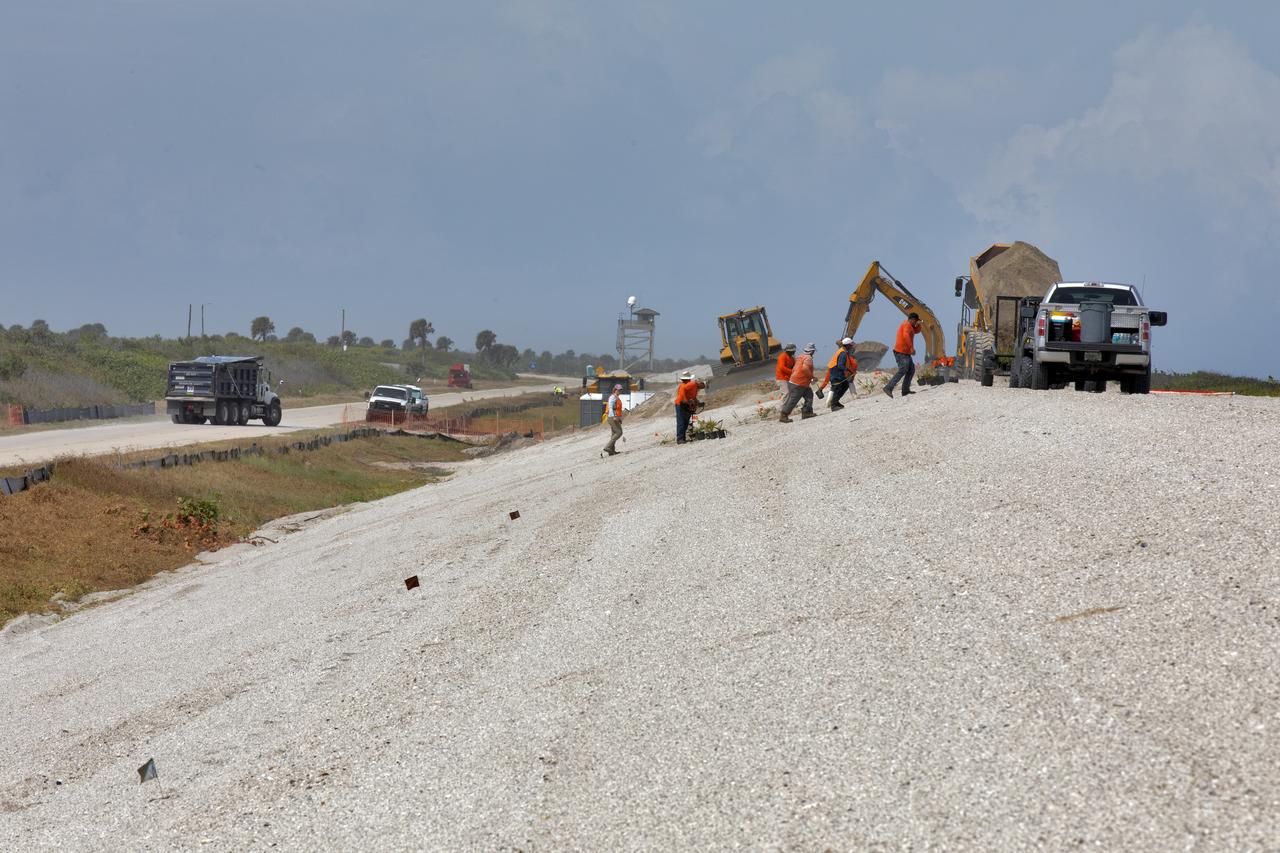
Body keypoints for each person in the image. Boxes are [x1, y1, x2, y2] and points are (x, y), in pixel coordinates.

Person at [885, 313, 922, 398]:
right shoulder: (906, 325)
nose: (916, 322)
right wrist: (911, 348)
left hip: (905, 352)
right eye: (916, 321)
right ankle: (888, 387)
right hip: (901, 352)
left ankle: (905, 390)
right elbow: (906, 336)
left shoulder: (910, 326)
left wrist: (919, 326)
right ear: (912, 319)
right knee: (903, 369)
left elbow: (916, 331)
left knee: (911, 370)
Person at [779, 343, 818, 423]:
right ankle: (783, 415)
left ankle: (807, 412)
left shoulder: (800, 357)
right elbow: (804, 369)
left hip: (796, 381)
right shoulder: (808, 358)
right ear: (812, 351)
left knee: (809, 395)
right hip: (799, 383)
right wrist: (812, 377)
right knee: (793, 400)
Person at [825, 337, 858, 410]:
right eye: (851, 345)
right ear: (848, 345)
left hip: (837, 372)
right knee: (838, 388)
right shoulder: (843, 353)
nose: (852, 346)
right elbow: (840, 365)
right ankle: (833, 405)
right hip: (836, 373)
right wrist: (848, 370)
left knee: (845, 385)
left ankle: (836, 402)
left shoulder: (843, 351)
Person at [674, 372, 702, 444]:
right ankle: (680, 439)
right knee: (681, 421)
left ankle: (683, 438)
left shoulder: (692, 386)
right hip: (680, 404)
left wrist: (697, 403)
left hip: (686, 404)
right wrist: (689, 404)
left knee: (686, 421)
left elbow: (693, 396)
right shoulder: (685, 385)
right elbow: (683, 397)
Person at [603, 383, 624, 455]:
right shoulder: (612, 397)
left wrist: (618, 418)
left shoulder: (616, 397)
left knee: (614, 434)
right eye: (618, 390)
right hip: (612, 417)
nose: (620, 391)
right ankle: (608, 447)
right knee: (619, 432)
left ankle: (611, 451)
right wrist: (614, 417)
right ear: (615, 390)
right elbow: (610, 408)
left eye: (620, 390)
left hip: (615, 417)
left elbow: (617, 409)